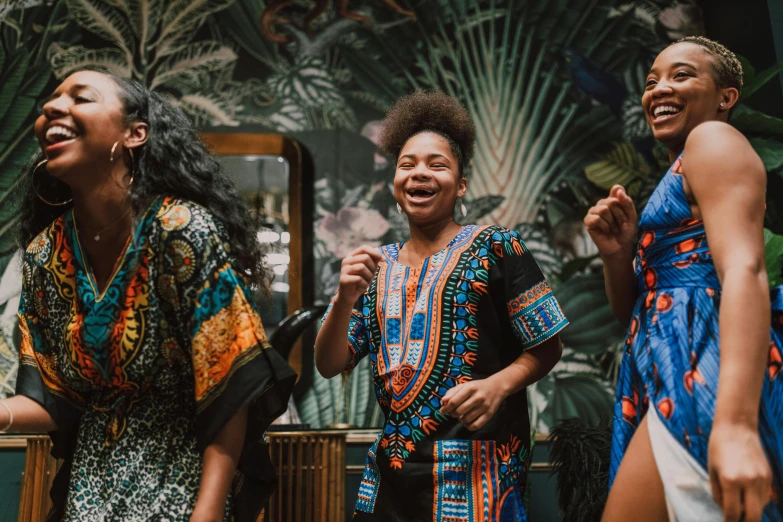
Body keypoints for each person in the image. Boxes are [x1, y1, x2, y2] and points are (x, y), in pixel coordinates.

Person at [0, 70, 296, 522]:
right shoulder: (46, 253)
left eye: (80, 98)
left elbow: (229, 385)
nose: (51, 109)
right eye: (50, 101)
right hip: (88, 492)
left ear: (135, 133)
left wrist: (209, 512)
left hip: (182, 485)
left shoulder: (181, 231)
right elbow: (53, 395)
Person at [315, 91, 567, 521]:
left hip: (474, 477)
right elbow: (328, 362)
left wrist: (498, 386)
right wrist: (342, 301)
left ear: (461, 185)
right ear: (395, 184)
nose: (419, 173)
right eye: (407, 164)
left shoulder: (496, 247)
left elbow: (548, 346)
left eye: (437, 164)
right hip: (388, 478)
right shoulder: (377, 266)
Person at [585, 37, 783, 522]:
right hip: (671, 362)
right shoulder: (687, 163)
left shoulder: (712, 139)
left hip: (702, 364)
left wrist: (734, 426)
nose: (658, 89)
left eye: (681, 74)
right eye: (651, 81)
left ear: (726, 97)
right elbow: (635, 310)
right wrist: (618, 255)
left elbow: (745, 269)